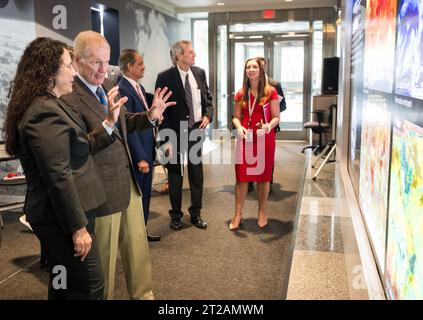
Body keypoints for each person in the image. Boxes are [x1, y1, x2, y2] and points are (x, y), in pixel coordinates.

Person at [2, 37, 126, 299]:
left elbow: (82, 145)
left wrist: (109, 122)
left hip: (65, 214)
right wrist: (78, 228)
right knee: (90, 285)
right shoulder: (43, 112)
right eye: (69, 65)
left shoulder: (52, 104)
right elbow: (58, 176)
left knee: (63, 282)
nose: (73, 71)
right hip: (63, 219)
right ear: (49, 72)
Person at [61, 31, 175, 300]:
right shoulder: (68, 96)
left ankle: (144, 296)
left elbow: (124, 122)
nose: (103, 69)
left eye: (107, 61)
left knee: (138, 253)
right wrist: (109, 123)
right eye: (96, 62)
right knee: (105, 266)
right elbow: (79, 148)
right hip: (101, 193)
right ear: (77, 61)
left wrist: (149, 116)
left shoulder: (108, 83)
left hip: (128, 184)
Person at [155, 40, 214, 231]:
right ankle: (176, 216)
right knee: (175, 176)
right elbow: (160, 110)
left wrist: (208, 115)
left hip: (196, 129)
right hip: (174, 131)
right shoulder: (164, 77)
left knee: (197, 175)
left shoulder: (199, 73)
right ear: (179, 55)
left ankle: (196, 214)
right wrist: (166, 139)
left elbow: (208, 98)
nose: (194, 55)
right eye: (190, 52)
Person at [230, 57, 280, 230]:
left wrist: (268, 125)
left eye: (254, 67)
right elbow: (236, 117)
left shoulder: (270, 92)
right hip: (246, 137)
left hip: (264, 137)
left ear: (260, 70)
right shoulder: (240, 93)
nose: (250, 69)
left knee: (263, 177)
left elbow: (276, 117)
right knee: (241, 176)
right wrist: (238, 127)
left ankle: (262, 211)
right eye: (248, 67)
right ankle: (238, 214)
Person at [117, 49, 160, 242]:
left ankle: (141, 232)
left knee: (146, 195)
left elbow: (143, 119)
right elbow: (129, 126)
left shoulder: (139, 88)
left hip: (147, 149)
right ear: (130, 66)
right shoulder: (123, 90)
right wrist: (140, 156)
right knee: (139, 196)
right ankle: (135, 237)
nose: (144, 67)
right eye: (141, 63)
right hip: (139, 154)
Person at [248, 56, 286, 193]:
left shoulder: (274, 84)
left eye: (260, 66)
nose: (256, 69)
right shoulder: (247, 83)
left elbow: (283, 105)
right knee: (250, 153)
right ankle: (249, 182)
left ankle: (268, 181)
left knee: (267, 156)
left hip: (268, 125)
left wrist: (270, 112)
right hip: (251, 126)